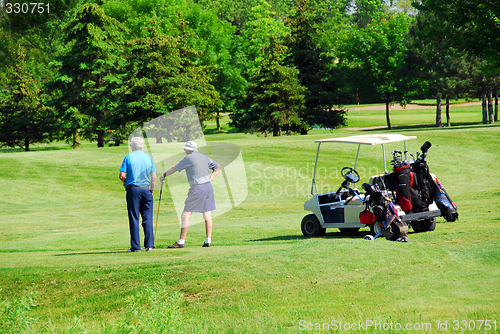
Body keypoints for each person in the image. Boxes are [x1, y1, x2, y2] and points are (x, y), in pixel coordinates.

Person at [160, 141, 221, 248]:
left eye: (185, 149)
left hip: (197, 188)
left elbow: (175, 168)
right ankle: (208, 240)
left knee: (186, 214)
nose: (185, 151)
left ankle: (181, 242)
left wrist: (164, 175)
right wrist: (210, 179)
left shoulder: (188, 158)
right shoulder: (204, 157)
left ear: (188, 149)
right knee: (207, 214)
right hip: (208, 187)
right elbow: (218, 167)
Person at [119, 137, 157, 252]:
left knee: (134, 217)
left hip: (133, 189)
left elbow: (121, 175)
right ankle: (149, 245)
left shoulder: (128, 157)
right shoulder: (149, 158)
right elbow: (154, 178)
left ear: (133, 146)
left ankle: (136, 247)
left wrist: (126, 182)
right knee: (148, 218)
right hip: (146, 190)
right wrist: (152, 190)